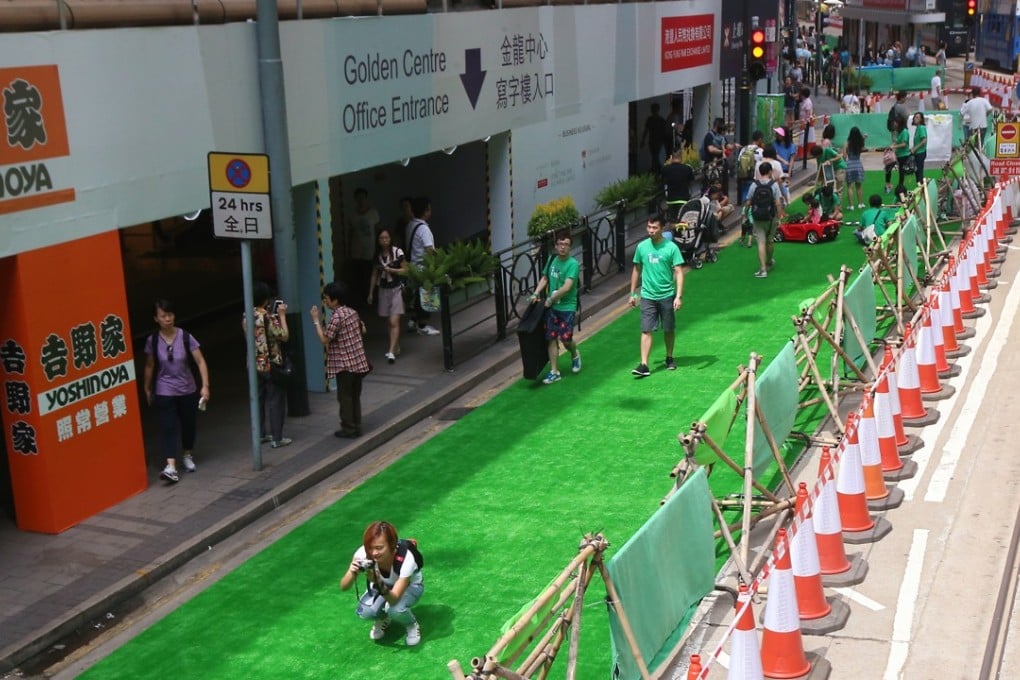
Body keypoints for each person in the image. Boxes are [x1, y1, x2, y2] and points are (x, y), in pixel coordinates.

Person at [143, 298, 211, 483]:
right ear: (156, 319)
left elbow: (200, 361)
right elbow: (150, 366)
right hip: (164, 390)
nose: (167, 319)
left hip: (187, 389)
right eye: (163, 316)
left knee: (188, 425)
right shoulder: (153, 340)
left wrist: (205, 386)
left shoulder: (186, 337)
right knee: (168, 427)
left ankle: (187, 454)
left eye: (170, 315)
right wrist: (147, 387)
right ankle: (171, 466)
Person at [339, 520, 423, 647]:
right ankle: (383, 617)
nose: (373, 553)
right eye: (370, 547)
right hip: (384, 586)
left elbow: (394, 599)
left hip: (411, 587)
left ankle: (411, 624)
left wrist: (378, 582)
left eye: (379, 548)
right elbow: (344, 587)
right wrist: (351, 571)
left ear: (392, 545)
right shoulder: (362, 554)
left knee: (395, 609)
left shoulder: (406, 558)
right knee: (365, 611)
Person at [310, 281, 372, 439]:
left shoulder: (337, 317)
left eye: (326, 298)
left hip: (344, 365)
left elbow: (325, 339)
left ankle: (349, 429)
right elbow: (362, 329)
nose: (325, 301)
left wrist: (316, 321)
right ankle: (356, 425)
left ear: (335, 300)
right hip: (358, 362)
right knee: (355, 396)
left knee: (344, 398)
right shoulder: (352, 312)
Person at [628, 213, 684, 377]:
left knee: (668, 328)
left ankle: (669, 357)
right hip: (647, 296)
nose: (651, 231)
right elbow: (636, 269)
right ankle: (644, 364)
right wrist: (632, 293)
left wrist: (678, 296)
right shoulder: (642, 247)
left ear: (662, 228)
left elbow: (679, 272)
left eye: (654, 228)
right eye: (649, 227)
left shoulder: (671, 248)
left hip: (667, 295)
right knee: (646, 329)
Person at [530, 230, 581, 384]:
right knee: (551, 338)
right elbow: (545, 277)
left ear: (570, 247)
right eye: (560, 244)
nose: (562, 247)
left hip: (567, 308)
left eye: (566, 244)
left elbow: (567, 287)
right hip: (552, 308)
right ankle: (554, 371)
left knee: (566, 340)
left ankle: (574, 353)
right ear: (556, 245)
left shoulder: (573, 264)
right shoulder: (552, 260)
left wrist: (551, 298)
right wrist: (536, 292)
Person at [247, 282, 291, 449]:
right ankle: (277, 438)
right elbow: (284, 336)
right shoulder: (268, 317)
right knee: (275, 400)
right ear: (267, 299)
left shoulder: (247, 316)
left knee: (258, 399)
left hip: (254, 364)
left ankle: (260, 434)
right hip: (271, 364)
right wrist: (282, 316)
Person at [367, 228, 407, 364]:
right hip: (383, 290)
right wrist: (371, 293)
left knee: (394, 321)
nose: (384, 240)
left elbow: (405, 270)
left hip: (396, 289)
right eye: (381, 238)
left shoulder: (397, 252)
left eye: (386, 238)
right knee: (388, 320)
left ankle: (391, 351)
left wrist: (392, 270)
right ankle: (395, 346)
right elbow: (374, 274)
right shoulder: (377, 256)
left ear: (390, 239)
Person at [405, 197, 440, 336]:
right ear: (426, 211)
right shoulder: (424, 229)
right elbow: (429, 250)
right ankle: (423, 325)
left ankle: (413, 321)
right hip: (423, 269)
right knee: (427, 297)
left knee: (417, 298)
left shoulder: (410, 225)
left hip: (412, 267)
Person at [744, 161, 784, 279]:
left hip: (757, 217)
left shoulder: (754, 185)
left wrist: (745, 214)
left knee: (760, 242)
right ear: (770, 171)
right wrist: (779, 216)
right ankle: (769, 261)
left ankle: (762, 269)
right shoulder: (774, 185)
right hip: (771, 217)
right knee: (770, 241)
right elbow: (778, 203)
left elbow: (748, 202)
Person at [348, 188, 380, 311]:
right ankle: (360, 302)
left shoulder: (373, 213)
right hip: (356, 249)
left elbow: (377, 229)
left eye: (363, 197)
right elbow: (350, 232)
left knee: (369, 275)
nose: (360, 200)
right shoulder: (352, 215)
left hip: (370, 249)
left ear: (366, 198)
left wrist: (379, 247)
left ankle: (370, 300)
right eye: (358, 197)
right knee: (358, 276)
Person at [701, 117, 729, 194]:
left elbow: (727, 146)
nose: (723, 131)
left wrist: (732, 146)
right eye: (722, 128)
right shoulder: (709, 136)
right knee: (709, 187)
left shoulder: (721, 137)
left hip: (721, 165)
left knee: (722, 188)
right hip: (711, 166)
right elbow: (711, 149)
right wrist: (722, 151)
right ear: (717, 126)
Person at [640, 102, 669, 173]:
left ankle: (655, 170)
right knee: (654, 156)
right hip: (653, 141)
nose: (654, 111)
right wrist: (643, 140)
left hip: (658, 141)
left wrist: (643, 140)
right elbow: (646, 130)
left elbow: (664, 132)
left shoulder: (660, 120)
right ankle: (657, 169)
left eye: (654, 109)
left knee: (655, 156)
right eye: (653, 109)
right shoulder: (653, 120)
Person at [844, 126, 867, 209]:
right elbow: (862, 147)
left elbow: (844, 156)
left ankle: (851, 205)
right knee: (859, 186)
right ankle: (861, 204)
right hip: (858, 164)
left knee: (849, 186)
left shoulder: (847, 143)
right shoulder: (860, 143)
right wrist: (863, 138)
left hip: (849, 164)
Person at [886, 117, 910, 194]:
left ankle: (901, 187)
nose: (894, 124)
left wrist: (894, 147)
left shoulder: (904, 132)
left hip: (903, 155)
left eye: (895, 122)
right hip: (897, 154)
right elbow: (896, 142)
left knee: (901, 172)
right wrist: (891, 146)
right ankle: (888, 184)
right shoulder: (898, 132)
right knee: (888, 168)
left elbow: (904, 144)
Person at [910, 112, 928, 186]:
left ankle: (921, 186)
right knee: (917, 171)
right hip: (918, 152)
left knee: (919, 171)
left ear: (921, 119)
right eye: (915, 117)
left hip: (920, 152)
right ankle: (920, 185)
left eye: (917, 117)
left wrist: (915, 148)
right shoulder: (918, 128)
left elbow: (924, 140)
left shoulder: (921, 128)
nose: (915, 119)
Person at [799, 87, 816, 157]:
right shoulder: (805, 101)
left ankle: (804, 151)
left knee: (804, 137)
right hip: (803, 121)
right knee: (803, 136)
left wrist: (805, 121)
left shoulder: (807, 102)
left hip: (805, 122)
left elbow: (808, 112)